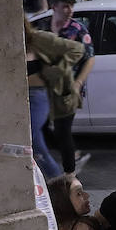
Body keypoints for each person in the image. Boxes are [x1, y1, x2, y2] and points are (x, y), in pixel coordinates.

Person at [25, 22, 84, 181]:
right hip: (18, 97)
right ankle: (56, 177)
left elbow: (78, 48)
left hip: (42, 95)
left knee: (32, 137)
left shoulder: (39, 38)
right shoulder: (6, 43)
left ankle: (58, 179)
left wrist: (53, 72)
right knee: (40, 136)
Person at [45, 0, 96, 173]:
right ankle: (68, 156)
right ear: (54, 7)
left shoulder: (78, 30)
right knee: (41, 129)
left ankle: (69, 173)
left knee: (62, 129)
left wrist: (78, 83)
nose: (70, 10)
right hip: (44, 88)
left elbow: (90, 58)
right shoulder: (42, 28)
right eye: (65, 6)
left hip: (68, 90)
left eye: (72, 6)